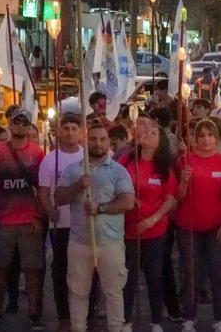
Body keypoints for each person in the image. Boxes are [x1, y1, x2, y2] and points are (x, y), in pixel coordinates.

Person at [56, 120, 136, 332]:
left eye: (102, 139)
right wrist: (78, 185)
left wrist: (100, 208)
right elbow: (59, 198)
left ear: (109, 142)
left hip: (110, 242)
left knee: (113, 292)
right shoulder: (73, 170)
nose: (97, 143)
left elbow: (128, 201)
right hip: (80, 241)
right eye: (93, 139)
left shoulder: (118, 171)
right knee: (78, 292)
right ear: (85, 140)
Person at [0, 107, 46, 330]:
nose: (20, 125)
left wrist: (38, 216)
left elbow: (42, 188)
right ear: (10, 124)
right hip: (3, 219)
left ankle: (34, 312)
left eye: (24, 122)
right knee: (0, 268)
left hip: (28, 219)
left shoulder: (37, 153)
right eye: (16, 121)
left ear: (29, 125)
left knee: (32, 269)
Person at [121, 116, 178, 332]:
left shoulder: (163, 168)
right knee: (128, 277)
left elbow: (170, 199)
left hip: (155, 231)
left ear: (160, 142)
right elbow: (115, 181)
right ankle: (126, 320)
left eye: (153, 133)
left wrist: (153, 219)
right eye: (146, 131)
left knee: (154, 276)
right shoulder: (127, 161)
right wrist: (126, 196)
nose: (147, 134)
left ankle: (156, 321)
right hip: (128, 229)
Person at [173, 119, 221, 332]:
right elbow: (177, 196)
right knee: (190, 273)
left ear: (217, 138)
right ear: (195, 139)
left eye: (210, 135)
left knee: (218, 272)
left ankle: (220, 318)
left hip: (216, 226)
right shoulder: (184, 161)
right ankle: (189, 317)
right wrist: (184, 181)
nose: (206, 139)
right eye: (202, 135)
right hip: (188, 226)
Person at [39, 114, 86, 330]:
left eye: (74, 128)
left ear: (81, 132)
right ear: (59, 131)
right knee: (60, 270)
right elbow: (43, 190)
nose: (69, 133)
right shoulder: (50, 159)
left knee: (86, 271)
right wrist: (50, 211)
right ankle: (64, 315)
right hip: (60, 225)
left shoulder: (87, 157)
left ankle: (87, 314)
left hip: (83, 223)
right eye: (65, 128)